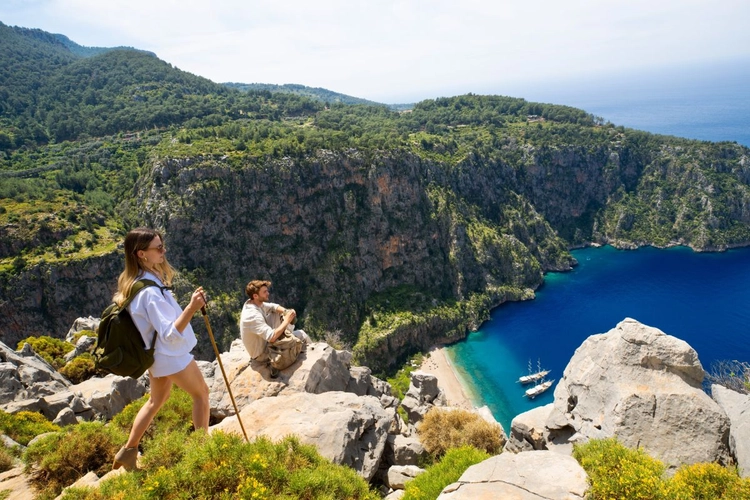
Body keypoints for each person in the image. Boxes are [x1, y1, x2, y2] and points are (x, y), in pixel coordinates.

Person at [112, 227, 210, 471]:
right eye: (158, 248)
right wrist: (192, 307)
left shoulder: (140, 283)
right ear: (141, 254)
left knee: (156, 401)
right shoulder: (150, 293)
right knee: (202, 395)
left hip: (155, 356)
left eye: (162, 245)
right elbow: (169, 333)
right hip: (170, 356)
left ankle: (128, 451)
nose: (163, 251)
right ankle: (203, 451)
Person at [239, 279, 311, 377]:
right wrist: (287, 321)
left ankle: (285, 334)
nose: (268, 293)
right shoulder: (252, 315)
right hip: (262, 354)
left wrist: (286, 312)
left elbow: (273, 307)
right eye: (265, 292)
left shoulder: (254, 303)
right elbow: (272, 337)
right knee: (301, 335)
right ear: (255, 296)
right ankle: (289, 344)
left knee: (276, 313)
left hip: (263, 341)